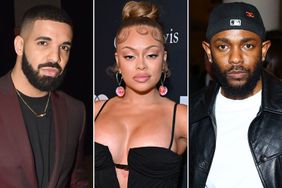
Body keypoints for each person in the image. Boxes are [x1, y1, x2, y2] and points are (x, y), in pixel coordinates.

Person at [94, 1, 187, 188]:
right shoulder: (95, 111)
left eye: (151, 55)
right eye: (130, 56)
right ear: (118, 61)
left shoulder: (182, 117)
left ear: (164, 59)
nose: (141, 65)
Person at [190, 2, 282, 188]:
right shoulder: (191, 113)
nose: (235, 58)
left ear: (263, 50)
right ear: (209, 52)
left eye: (247, 45)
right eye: (223, 47)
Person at [0, 5, 88, 188]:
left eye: (64, 47)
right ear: (19, 46)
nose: (55, 57)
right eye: (43, 43)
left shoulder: (75, 111)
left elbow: (76, 179)